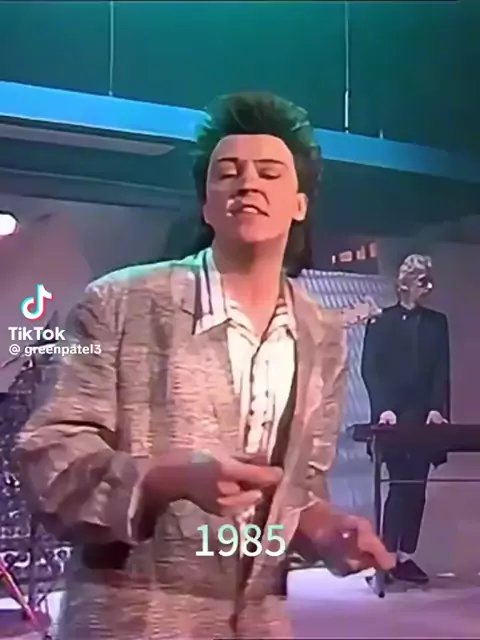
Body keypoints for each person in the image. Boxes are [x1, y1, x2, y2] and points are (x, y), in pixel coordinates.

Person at [16, 92, 394, 640]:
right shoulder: (116, 303)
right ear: (206, 204)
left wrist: (323, 529)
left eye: (269, 172)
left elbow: (300, 488)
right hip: (135, 623)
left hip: (260, 624)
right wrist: (164, 478)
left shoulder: (322, 334)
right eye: (227, 173)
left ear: (299, 204)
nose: (248, 184)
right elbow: (48, 458)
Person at [361, 253, 450, 585]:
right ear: (406, 283)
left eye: (429, 280)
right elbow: (371, 369)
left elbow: (441, 369)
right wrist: (384, 408)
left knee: (417, 486)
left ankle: (404, 557)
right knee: (399, 485)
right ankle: (386, 557)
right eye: (422, 280)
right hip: (392, 416)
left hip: (423, 415)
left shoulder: (437, 322)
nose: (428, 287)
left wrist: (437, 408)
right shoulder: (381, 321)